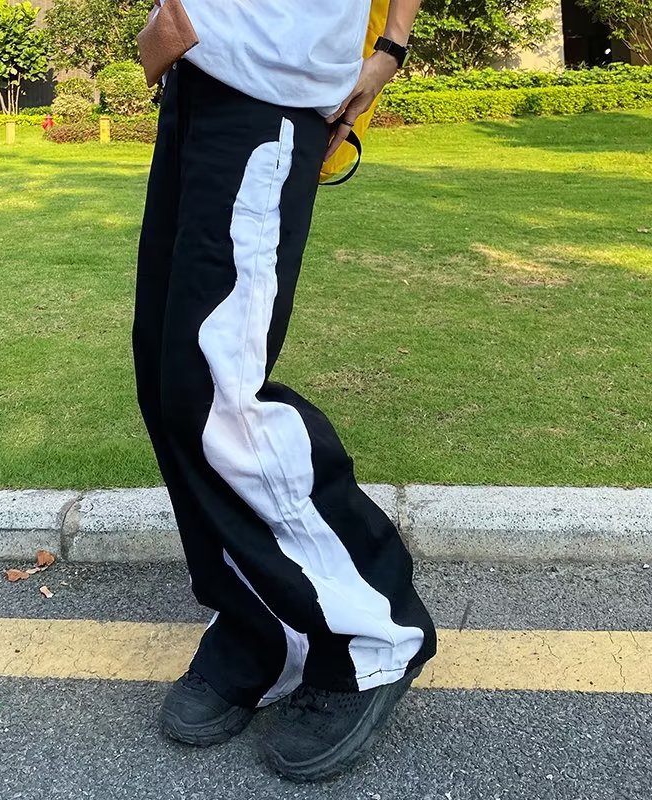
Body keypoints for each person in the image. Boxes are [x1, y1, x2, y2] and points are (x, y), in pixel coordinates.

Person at [132, 0, 435, 782]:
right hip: (198, 72)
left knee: (216, 389)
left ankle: (372, 630)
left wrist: (390, 49)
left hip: (273, 91)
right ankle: (264, 627)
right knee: (167, 373)